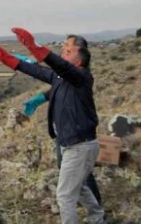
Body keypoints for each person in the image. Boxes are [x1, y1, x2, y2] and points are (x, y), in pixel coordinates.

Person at [0, 27, 109, 224]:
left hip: (79, 146)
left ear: (81, 56)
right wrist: (6, 58)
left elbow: (58, 65)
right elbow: (33, 69)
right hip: (74, 144)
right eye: (62, 49)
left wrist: (35, 47)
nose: (63, 53)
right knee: (80, 185)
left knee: (64, 195)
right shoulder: (60, 78)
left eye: (68, 50)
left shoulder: (81, 77)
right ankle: (98, 219)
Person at [22, 35, 103, 207]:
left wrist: (35, 50)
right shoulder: (67, 73)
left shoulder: (79, 74)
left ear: (78, 51)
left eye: (67, 46)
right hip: (63, 131)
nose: (63, 48)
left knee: (81, 173)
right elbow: (58, 86)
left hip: (76, 134)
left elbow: (59, 70)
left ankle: (96, 207)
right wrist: (40, 97)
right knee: (65, 165)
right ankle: (83, 200)